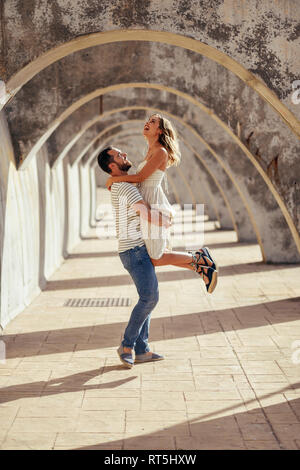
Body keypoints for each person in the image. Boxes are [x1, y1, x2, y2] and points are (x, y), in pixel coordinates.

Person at [97, 147, 217, 369]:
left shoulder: (121, 184)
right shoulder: (124, 187)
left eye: (124, 152)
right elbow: (144, 211)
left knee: (148, 298)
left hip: (134, 250)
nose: (125, 155)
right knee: (149, 298)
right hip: (135, 252)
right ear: (111, 166)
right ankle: (126, 345)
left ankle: (142, 350)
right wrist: (164, 221)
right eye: (119, 155)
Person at [105, 114, 218, 292]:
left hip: (154, 204)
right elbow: (141, 181)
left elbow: (141, 177)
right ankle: (200, 266)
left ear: (160, 130)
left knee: (155, 257)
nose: (147, 123)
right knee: (155, 255)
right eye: (148, 120)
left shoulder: (161, 152)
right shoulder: (150, 151)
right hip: (147, 202)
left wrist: (114, 181)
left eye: (153, 121)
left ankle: (199, 257)